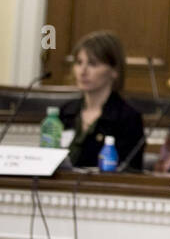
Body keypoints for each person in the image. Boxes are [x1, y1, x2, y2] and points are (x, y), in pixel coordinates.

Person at [58, 30, 145, 171]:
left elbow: (130, 171)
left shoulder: (128, 118)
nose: (83, 71)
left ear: (114, 71)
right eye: (79, 63)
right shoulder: (65, 112)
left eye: (92, 64)